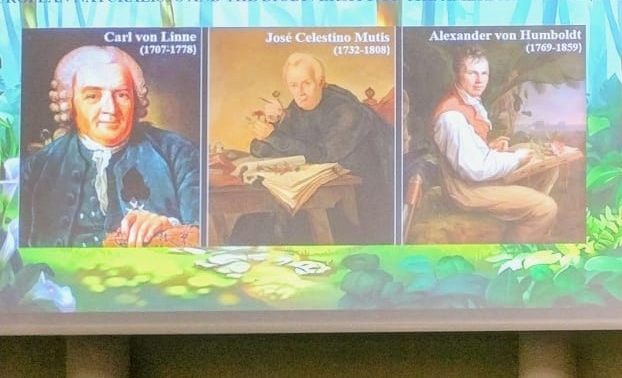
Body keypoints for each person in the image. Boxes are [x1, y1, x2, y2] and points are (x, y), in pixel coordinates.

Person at [19, 44, 201, 248]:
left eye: (122, 95)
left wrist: (170, 226)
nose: (110, 109)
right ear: (70, 102)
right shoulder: (37, 166)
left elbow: (204, 234)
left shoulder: (179, 153)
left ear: (135, 101)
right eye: (93, 96)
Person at [239, 52, 397, 244]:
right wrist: (273, 126)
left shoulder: (347, 111)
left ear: (321, 82)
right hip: (321, 196)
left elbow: (324, 154)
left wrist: (273, 136)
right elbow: (261, 150)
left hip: (361, 206)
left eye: (306, 83)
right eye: (293, 86)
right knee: (249, 224)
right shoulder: (298, 107)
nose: (300, 92)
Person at [429, 48, 579, 241]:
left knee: (542, 164)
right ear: (458, 74)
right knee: (546, 208)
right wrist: (516, 159)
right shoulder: (452, 117)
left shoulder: (465, 101)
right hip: (467, 191)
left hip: (472, 180)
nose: (479, 80)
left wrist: (488, 148)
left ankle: (520, 222)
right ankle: (513, 249)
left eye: (484, 74)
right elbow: (474, 169)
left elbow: (465, 152)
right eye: (472, 73)